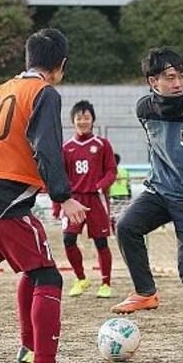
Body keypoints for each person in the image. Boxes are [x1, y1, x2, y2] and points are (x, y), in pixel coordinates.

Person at [0, 28, 91, 363]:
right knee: (50, 277)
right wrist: (65, 196)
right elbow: (46, 147)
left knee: (33, 271)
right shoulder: (44, 93)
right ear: (60, 65)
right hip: (6, 198)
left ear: (27, 59)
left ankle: (30, 350)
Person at [111, 47, 183, 363]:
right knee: (126, 226)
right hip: (160, 191)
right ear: (153, 81)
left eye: (181, 76)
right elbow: (159, 150)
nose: (178, 83)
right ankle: (146, 292)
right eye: (170, 77)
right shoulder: (144, 110)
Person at [61, 99, 118, 299]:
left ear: (93, 120)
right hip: (73, 200)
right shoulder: (66, 147)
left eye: (86, 117)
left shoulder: (102, 144)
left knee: (101, 242)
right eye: (79, 118)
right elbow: (61, 176)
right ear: (72, 121)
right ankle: (80, 278)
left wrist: (99, 185)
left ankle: (105, 283)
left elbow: (112, 170)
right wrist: (57, 202)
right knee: (68, 239)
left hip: (96, 200)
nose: (83, 121)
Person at [108, 153, 132, 232]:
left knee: (113, 214)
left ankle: (115, 232)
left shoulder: (110, 172)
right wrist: (129, 195)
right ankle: (123, 230)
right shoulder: (124, 171)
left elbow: (107, 185)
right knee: (123, 214)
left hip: (114, 195)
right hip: (124, 194)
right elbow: (128, 184)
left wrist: (107, 195)